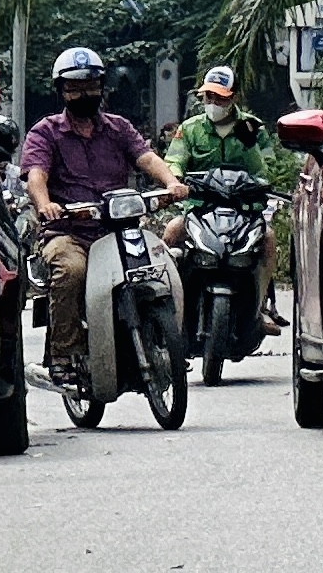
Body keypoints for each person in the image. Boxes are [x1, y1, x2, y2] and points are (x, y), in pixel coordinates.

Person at [18, 47, 183, 389]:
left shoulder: (119, 128)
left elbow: (147, 158)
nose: (83, 94)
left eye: (91, 86)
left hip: (119, 231)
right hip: (68, 232)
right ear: (61, 91)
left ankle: (171, 345)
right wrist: (46, 203)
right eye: (75, 88)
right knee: (71, 271)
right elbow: (36, 175)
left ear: (101, 87)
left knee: (165, 265)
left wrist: (171, 182)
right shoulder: (45, 132)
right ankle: (63, 357)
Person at [163, 64, 291, 331]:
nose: (213, 103)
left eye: (220, 97)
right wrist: (175, 183)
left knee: (268, 239)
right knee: (172, 232)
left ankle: (261, 307)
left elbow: (266, 169)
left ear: (233, 97)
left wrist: (259, 178)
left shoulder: (252, 128)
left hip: (243, 210)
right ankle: (169, 309)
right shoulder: (189, 129)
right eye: (209, 97)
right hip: (201, 209)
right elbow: (174, 161)